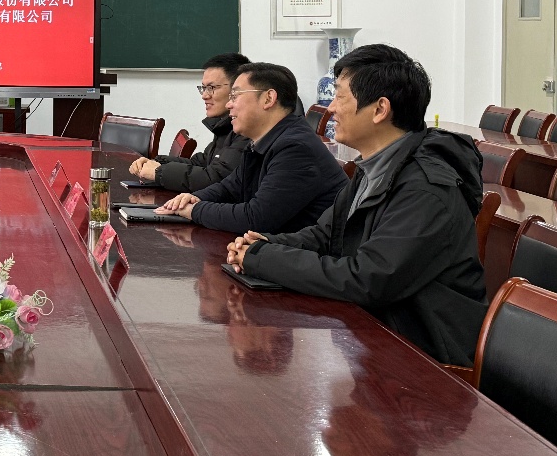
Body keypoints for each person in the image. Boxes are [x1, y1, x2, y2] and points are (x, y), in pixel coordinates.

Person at [227, 44, 488, 367]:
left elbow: (367, 279)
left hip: (425, 356)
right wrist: (262, 244)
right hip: (376, 335)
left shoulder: (426, 189)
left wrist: (263, 258)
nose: (331, 108)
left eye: (340, 97)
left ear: (380, 109)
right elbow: (325, 236)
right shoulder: (375, 167)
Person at [157, 62, 345, 234]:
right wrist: (193, 198)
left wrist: (194, 210)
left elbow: (255, 218)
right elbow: (231, 187)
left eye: (235, 95)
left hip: (309, 254)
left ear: (268, 98)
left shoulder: (296, 148)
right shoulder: (263, 140)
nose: (229, 104)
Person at [128, 52, 252, 192]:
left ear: (236, 90)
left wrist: (159, 172)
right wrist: (158, 162)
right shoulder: (224, 127)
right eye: (203, 88)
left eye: (211, 88)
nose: (204, 95)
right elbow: (200, 163)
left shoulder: (247, 131)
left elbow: (215, 179)